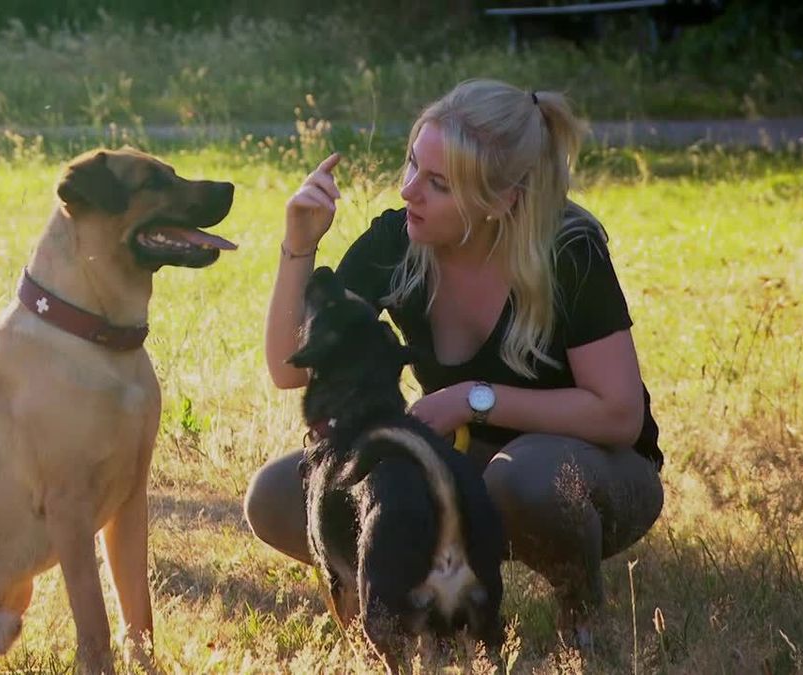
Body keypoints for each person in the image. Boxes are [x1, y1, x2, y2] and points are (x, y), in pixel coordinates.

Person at [244, 79, 664, 645]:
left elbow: (618, 415)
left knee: (526, 478)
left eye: (438, 184)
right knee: (277, 493)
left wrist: (471, 398)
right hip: (458, 472)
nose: (410, 190)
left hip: (589, 472)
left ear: (501, 199)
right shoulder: (399, 240)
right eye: (413, 165)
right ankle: (401, 611)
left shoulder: (566, 250)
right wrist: (299, 244)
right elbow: (289, 369)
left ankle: (581, 614)